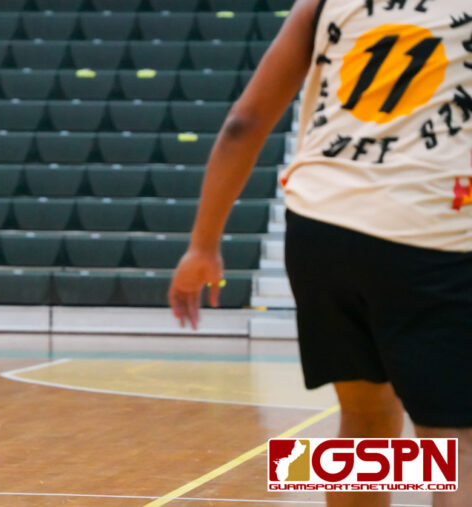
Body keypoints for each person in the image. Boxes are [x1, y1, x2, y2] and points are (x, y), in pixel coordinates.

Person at [168, 0, 471, 505]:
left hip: (320, 227)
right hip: (427, 229)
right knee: (455, 440)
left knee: (364, 417)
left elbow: (244, 122)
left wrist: (202, 246)